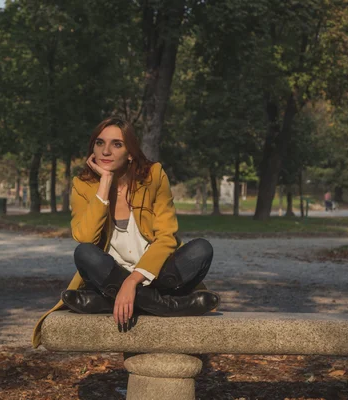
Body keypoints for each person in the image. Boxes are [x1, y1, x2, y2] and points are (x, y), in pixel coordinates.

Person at [32, 117, 220, 348]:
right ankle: (166, 306)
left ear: (130, 153)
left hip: (155, 275)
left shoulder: (154, 176)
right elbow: (86, 238)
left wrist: (132, 282)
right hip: (110, 275)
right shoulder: (82, 185)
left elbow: (166, 237)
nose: (106, 151)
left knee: (202, 249)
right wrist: (105, 183)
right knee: (84, 254)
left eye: (117, 144)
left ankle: (106, 302)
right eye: (99, 143)